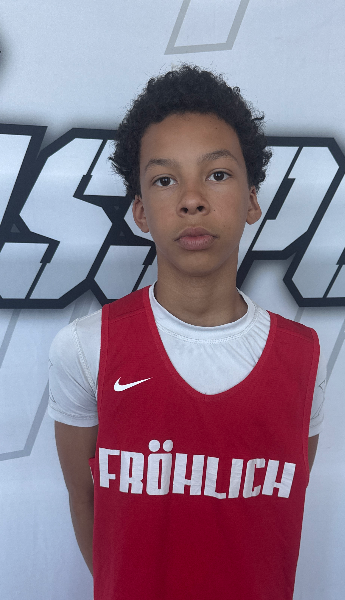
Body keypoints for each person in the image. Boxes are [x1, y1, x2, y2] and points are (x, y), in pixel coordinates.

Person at [49, 64, 325, 600]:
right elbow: (87, 506)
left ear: (252, 200)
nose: (192, 199)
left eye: (217, 174)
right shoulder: (86, 347)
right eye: (164, 179)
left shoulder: (302, 358)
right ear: (140, 211)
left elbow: (269, 522)